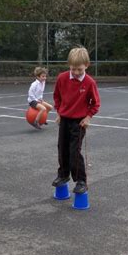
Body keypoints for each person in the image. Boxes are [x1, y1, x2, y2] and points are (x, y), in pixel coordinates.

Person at [52, 47, 101, 194]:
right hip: (64, 119)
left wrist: (88, 117)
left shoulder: (89, 82)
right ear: (69, 65)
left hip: (79, 122)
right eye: (73, 69)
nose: (76, 72)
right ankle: (63, 175)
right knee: (62, 148)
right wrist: (59, 112)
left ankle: (81, 181)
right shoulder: (62, 78)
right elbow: (57, 97)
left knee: (74, 151)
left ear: (87, 65)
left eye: (79, 69)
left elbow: (95, 103)